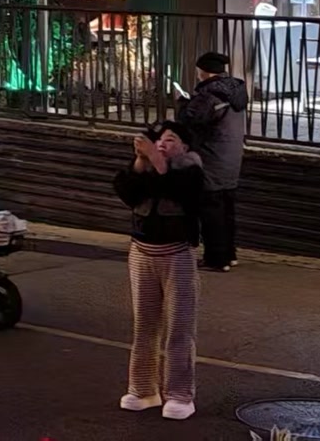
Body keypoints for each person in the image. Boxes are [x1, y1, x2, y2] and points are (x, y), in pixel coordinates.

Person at [114, 121, 204, 421]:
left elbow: (182, 193)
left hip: (177, 255)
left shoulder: (191, 170)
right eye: (159, 140)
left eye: (171, 139)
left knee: (179, 327)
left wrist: (156, 159)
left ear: (185, 146)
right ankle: (142, 390)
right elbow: (127, 192)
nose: (163, 144)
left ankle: (179, 394)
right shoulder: (147, 167)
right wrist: (141, 162)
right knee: (144, 325)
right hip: (141, 253)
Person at [179, 51, 247, 272]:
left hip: (211, 160)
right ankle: (229, 254)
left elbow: (191, 120)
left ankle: (217, 259)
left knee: (211, 213)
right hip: (230, 160)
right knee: (227, 211)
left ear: (204, 72)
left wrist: (183, 104)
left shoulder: (210, 95)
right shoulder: (235, 91)